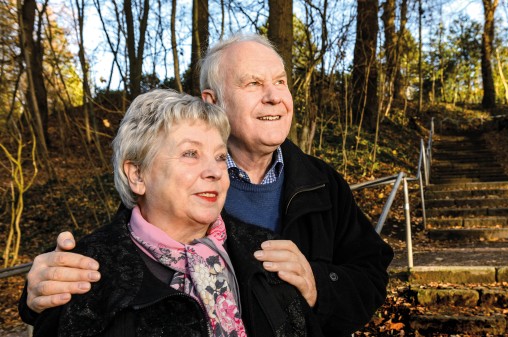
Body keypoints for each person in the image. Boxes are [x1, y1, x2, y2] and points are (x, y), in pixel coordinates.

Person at [19, 34, 394, 336]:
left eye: (281, 81)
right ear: (213, 101)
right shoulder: (166, 185)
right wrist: (38, 295)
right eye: (253, 83)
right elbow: (120, 261)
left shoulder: (323, 182)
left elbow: (372, 272)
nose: (275, 96)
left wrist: (317, 287)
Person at [28, 89, 314, 337]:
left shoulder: (265, 252)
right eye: (191, 154)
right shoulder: (81, 273)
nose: (215, 171)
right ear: (137, 174)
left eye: (218, 156)